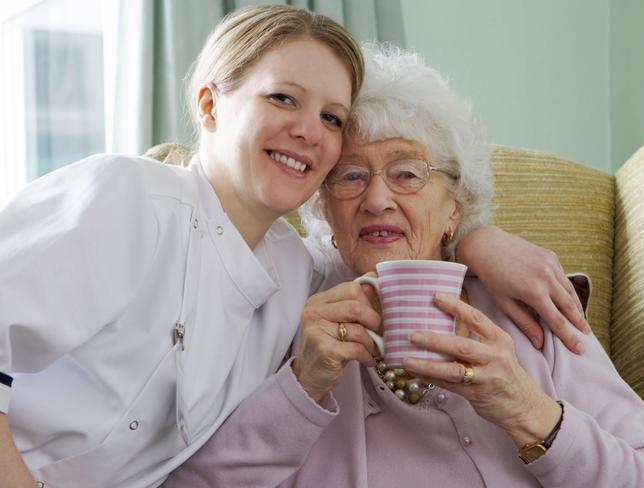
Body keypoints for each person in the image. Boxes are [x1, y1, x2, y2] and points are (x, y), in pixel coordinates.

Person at [0, 5, 587, 486]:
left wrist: (478, 241)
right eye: (283, 98)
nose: (309, 130)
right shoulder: (128, 197)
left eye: (332, 118)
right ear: (209, 105)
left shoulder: (296, 274)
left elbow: (388, 243)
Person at [164, 44, 644, 488]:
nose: (377, 200)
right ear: (324, 210)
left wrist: (527, 409)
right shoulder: (294, 316)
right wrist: (301, 386)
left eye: (407, 174)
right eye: (350, 176)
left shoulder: (530, 307)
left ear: (454, 206)